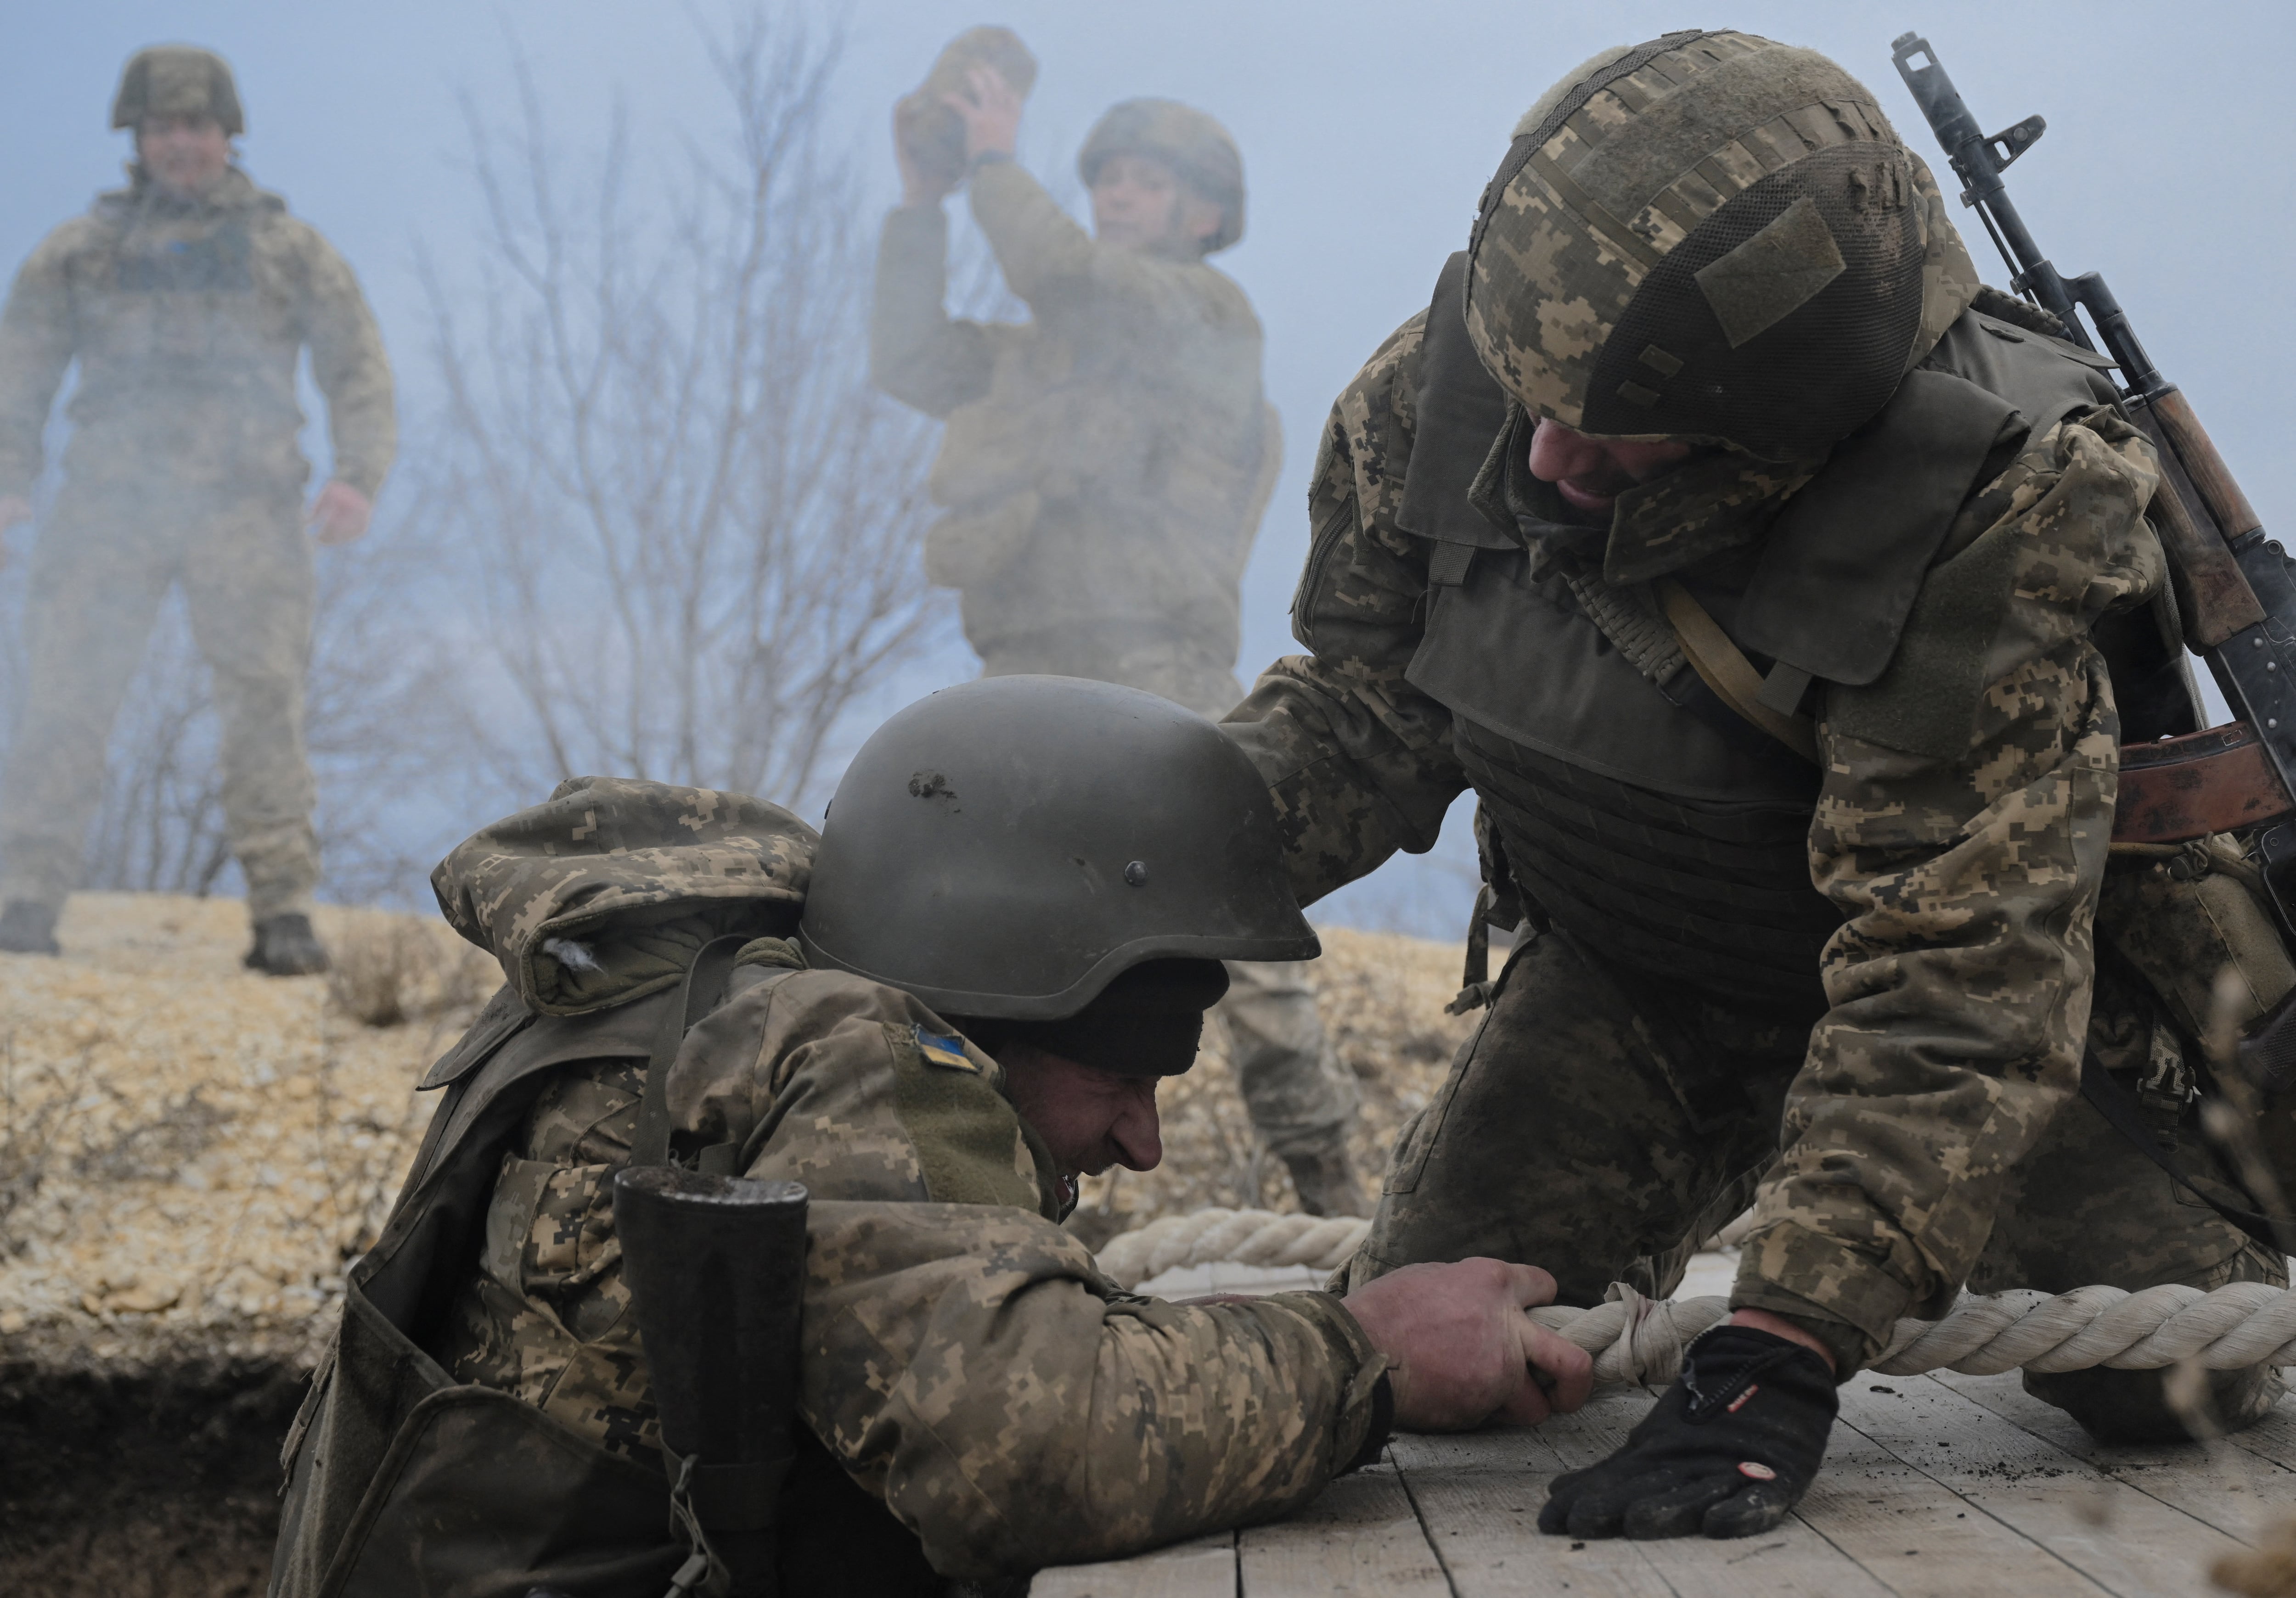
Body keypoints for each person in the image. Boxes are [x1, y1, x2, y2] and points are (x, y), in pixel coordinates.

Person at [1221, 27, 2285, 1542]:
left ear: (1786, 422)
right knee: (1449, 1322)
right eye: (1536, 390)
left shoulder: (2004, 509)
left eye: (1614, 433)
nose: (1545, 457)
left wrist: (1779, 1349)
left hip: (2018, 1031)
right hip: (1651, 962)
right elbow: (1369, 716)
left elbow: (1957, 982)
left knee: (2170, 1372)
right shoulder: (1477, 378)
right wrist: (1122, 888)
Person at [269, 676, 1593, 1596]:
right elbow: (1028, 1448)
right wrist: (1367, 1353)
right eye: (1128, 1067)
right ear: (993, 1001)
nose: (1140, 1140)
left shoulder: (711, 1007)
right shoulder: (849, 1058)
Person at [869, 43, 1365, 1218]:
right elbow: (908, 356)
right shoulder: (1049, 350)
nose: (1118, 194)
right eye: (1108, 178)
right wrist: (922, 203)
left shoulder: (1202, 314)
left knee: (1236, 944)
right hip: (1021, 676)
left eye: (1146, 179)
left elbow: (1069, 276)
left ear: (1204, 212)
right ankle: (976, 1189)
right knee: (978, 938)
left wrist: (996, 159)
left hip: (1157, 673)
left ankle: (1336, 1194)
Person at [0, 45, 394, 974]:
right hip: (107, 507)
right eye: (163, 127)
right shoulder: (81, 251)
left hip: (246, 510)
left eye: (198, 126)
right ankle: (23, 895)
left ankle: (284, 910)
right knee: (65, 698)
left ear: (229, 135)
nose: (182, 144)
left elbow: (357, 362)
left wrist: (358, 476)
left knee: (265, 705)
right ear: (136, 138)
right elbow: (19, 374)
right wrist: (8, 477)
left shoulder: (285, 249)